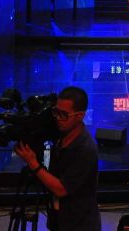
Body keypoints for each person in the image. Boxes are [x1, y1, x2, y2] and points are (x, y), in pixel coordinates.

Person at [15, 86, 100, 231]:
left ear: (80, 115)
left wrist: (33, 162)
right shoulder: (60, 134)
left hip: (79, 224)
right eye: (56, 112)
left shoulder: (85, 148)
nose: (58, 118)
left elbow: (61, 189)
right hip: (58, 219)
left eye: (64, 114)